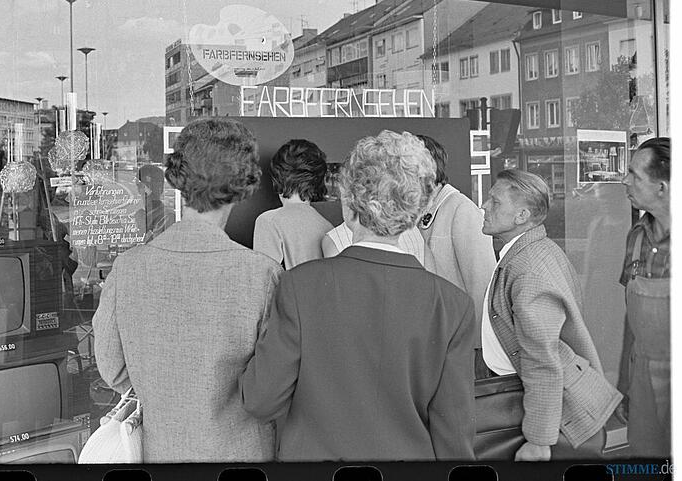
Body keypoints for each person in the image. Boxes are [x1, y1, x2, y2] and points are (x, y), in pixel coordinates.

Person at [241, 130, 475, 461]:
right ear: (414, 211)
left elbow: (260, 400)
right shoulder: (453, 306)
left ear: (350, 206)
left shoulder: (299, 287)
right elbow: (454, 437)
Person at [93, 117, 281, 462]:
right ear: (243, 184)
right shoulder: (263, 275)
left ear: (179, 180)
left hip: (160, 451)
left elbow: (113, 369)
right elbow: (271, 390)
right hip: (244, 454)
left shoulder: (128, 268)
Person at [479, 169, 620, 461]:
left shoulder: (528, 268)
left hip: (554, 417)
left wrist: (539, 440)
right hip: (541, 399)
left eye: (495, 202)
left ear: (521, 216)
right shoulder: (533, 251)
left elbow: (542, 358)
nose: (484, 206)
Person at [617, 137, 670, 457]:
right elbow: (630, 319)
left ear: (662, 186)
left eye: (634, 174)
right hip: (643, 379)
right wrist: (625, 383)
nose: (625, 180)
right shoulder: (636, 236)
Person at [416, 134, 496, 340]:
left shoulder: (462, 210)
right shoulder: (415, 210)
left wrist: (478, 347)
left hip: (459, 340)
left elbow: (481, 286)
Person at [253, 139, 333, 269]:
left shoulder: (269, 221)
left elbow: (264, 276)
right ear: (318, 181)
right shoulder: (327, 227)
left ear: (277, 178)